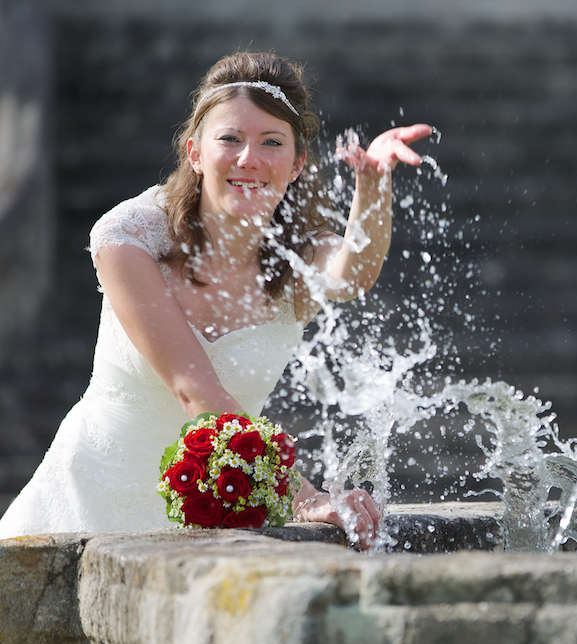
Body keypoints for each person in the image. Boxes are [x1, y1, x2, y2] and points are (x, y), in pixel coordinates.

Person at [0, 51, 431, 549]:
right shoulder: (130, 237)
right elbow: (193, 389)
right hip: (83, 504)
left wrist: (372, 185)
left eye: (272, 142)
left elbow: (351, 273)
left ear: (296, 165)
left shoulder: (295, 253)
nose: (249, 159)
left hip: (215, 518)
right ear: (195, 153)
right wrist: (306, 497)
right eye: (230, 138)